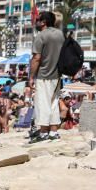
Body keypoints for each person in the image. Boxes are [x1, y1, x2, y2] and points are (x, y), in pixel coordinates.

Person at [29, 11, 64, 142]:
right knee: (54, 103)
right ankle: (53, 132)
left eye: (37, 19)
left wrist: (31, 77)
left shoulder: (41, 36)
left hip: (43, 75)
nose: (35, 22)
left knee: (42, 103)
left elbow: (36, 58)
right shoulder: (60, 35)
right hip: (57, 75)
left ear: (43, 22)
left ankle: (43, 133)